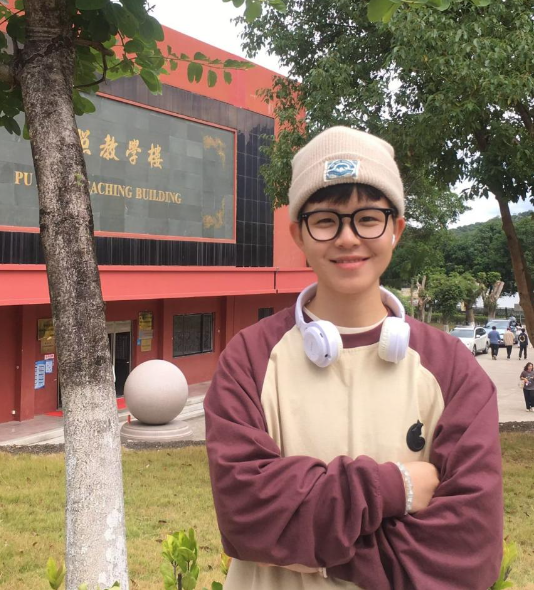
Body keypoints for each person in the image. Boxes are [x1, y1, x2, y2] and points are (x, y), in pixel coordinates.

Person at [205, 127, 503, 590]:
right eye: (326, 220)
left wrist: (296, 539)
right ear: (298, 235)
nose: (347, 239)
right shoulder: (248, 360)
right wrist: (396, 488)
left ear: (396, 229)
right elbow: (246, 516)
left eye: (368, 218)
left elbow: (467, 554)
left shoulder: (452, 370)